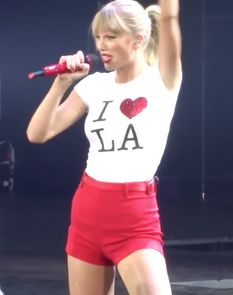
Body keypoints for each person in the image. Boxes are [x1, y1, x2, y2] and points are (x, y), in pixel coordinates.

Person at [26, 0, 182, 294]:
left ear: (138, 39)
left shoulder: (162, 80)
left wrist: (170, 9)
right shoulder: (94, 86)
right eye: (98, 37)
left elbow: (170, 18)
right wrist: (62, 84)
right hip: (89, 209)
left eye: (110, 37)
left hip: (135, 215)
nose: (101, 46)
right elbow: (37, 133)